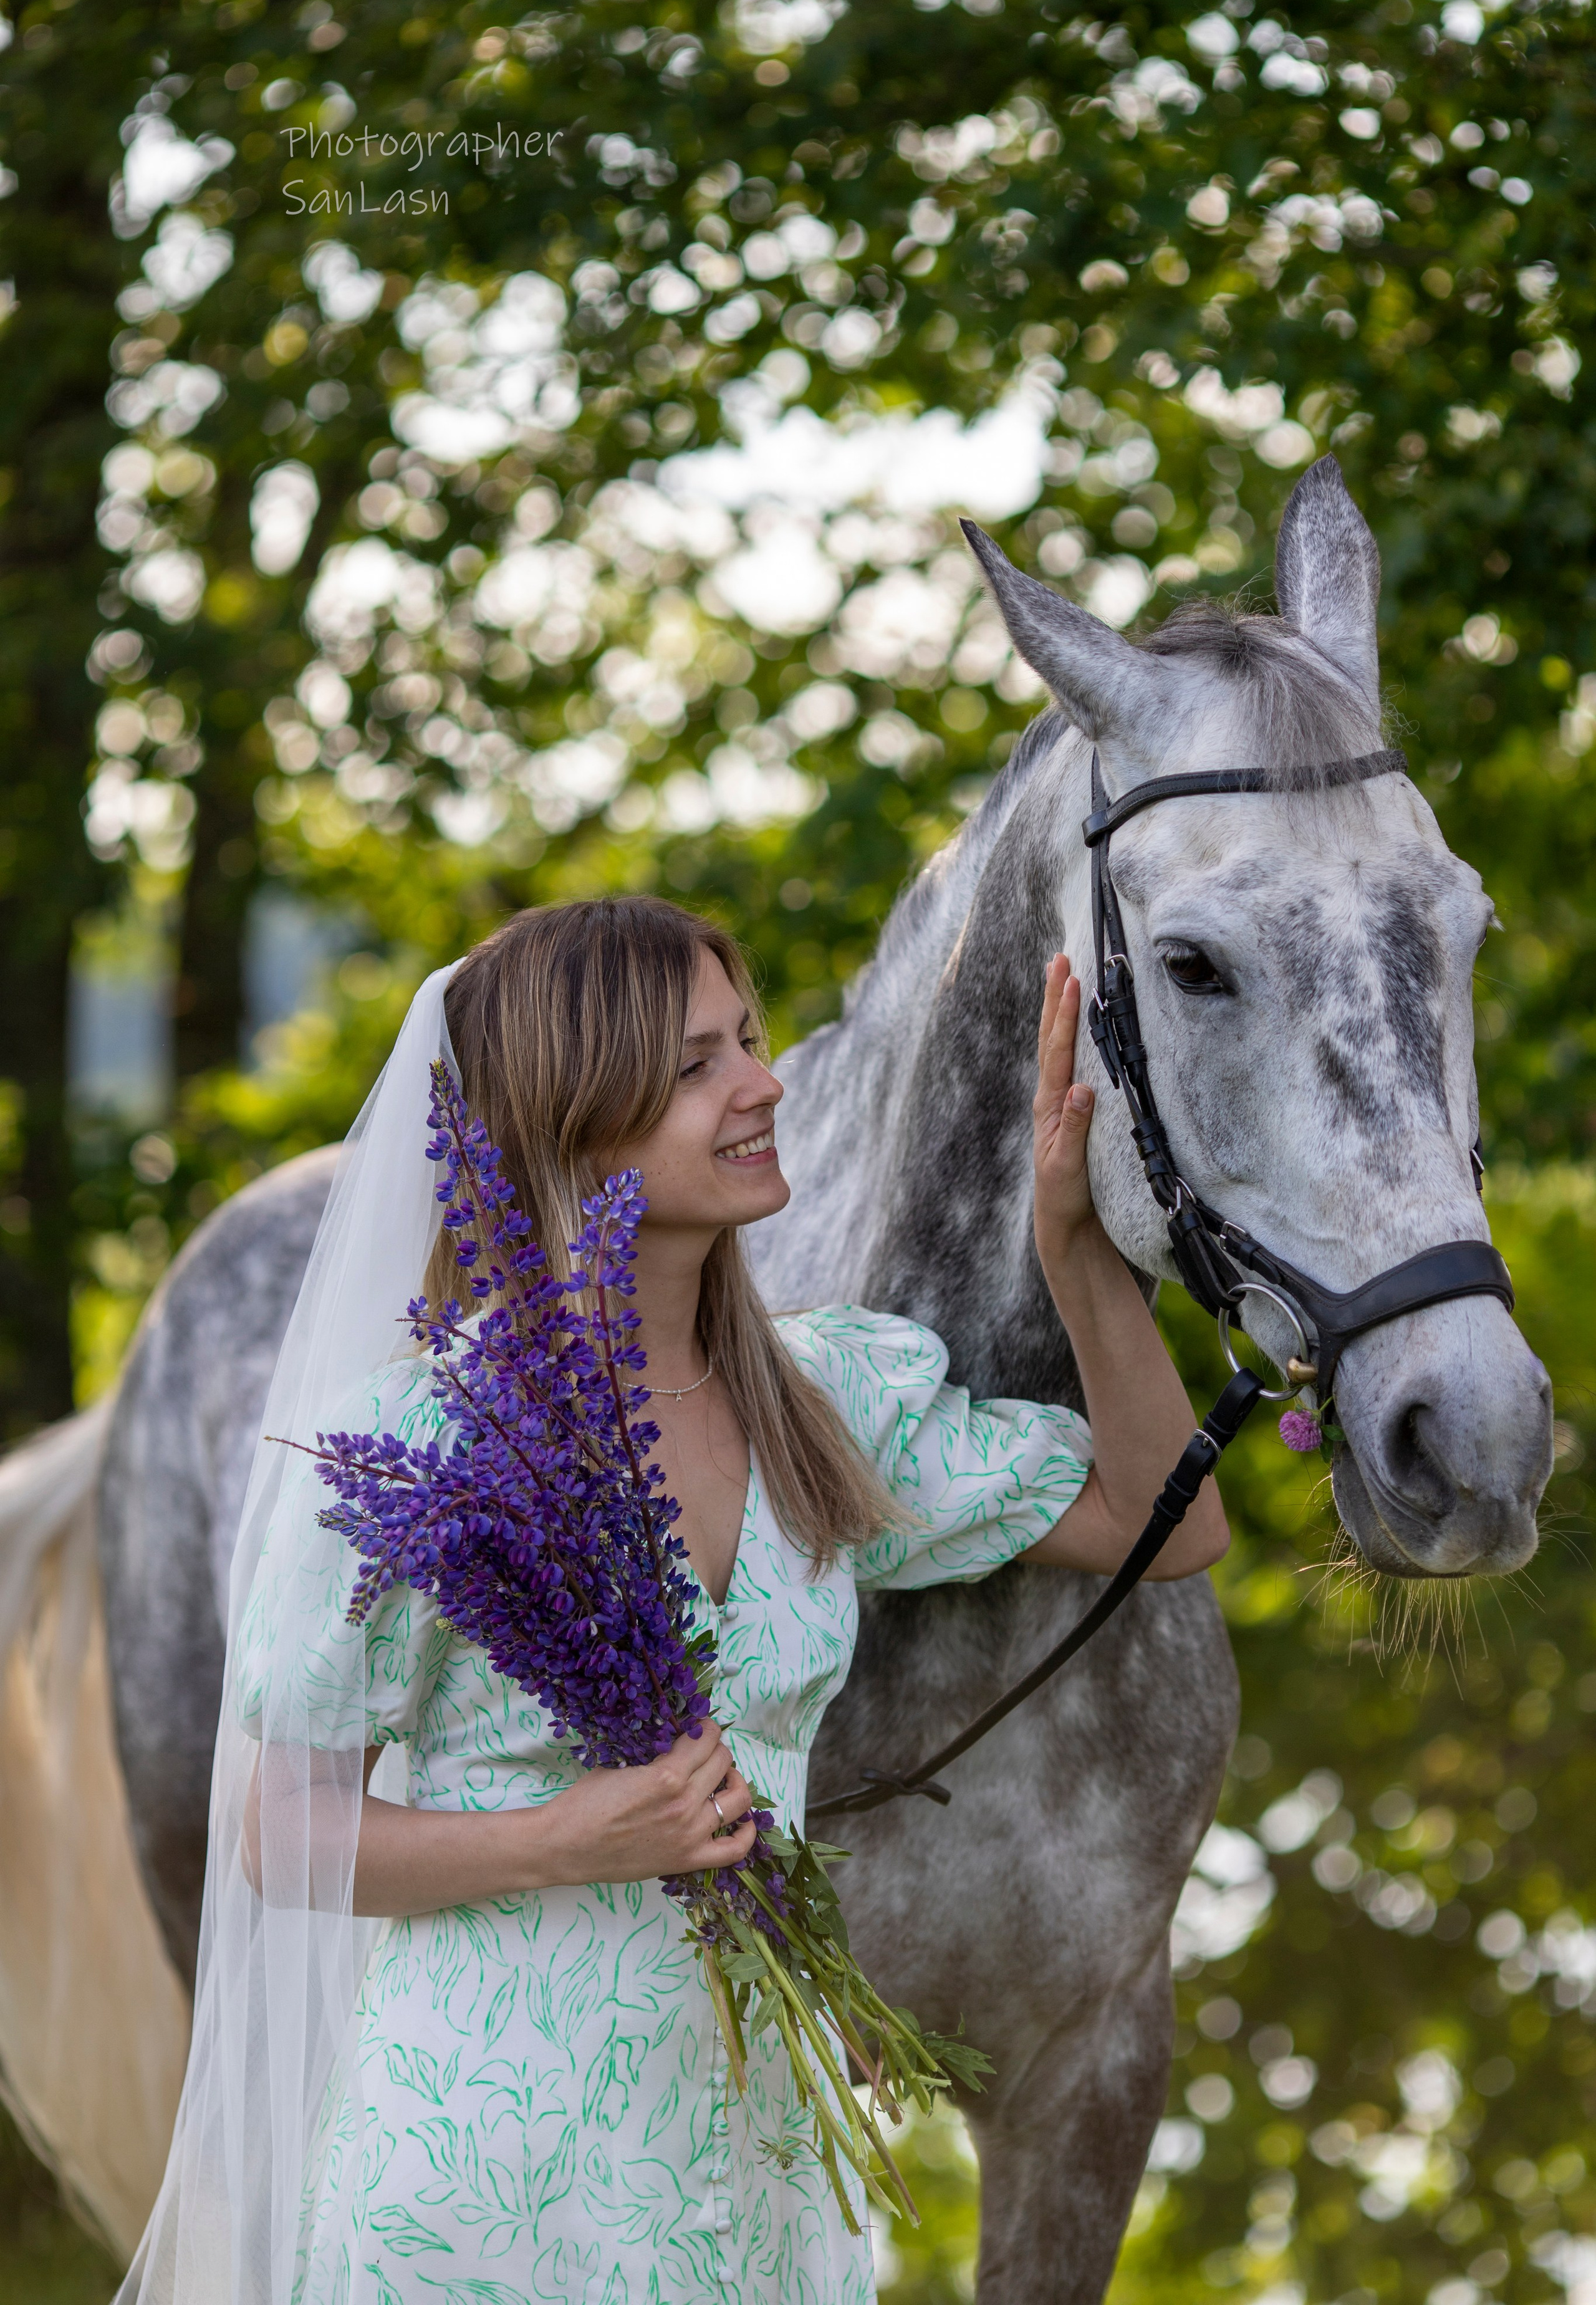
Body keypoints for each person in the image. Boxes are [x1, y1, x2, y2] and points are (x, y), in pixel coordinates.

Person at [121, 896, 1225, 2305]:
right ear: (579, 1115)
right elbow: (281, 1835)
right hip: (478, 2183)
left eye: (751, 1041)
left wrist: (1074, 1251)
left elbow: (1167, 1523)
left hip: (748, 2176)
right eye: (700, 1062)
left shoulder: (824, 1406)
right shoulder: (426, 1446)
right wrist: (568, 1833)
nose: (764, 1083)